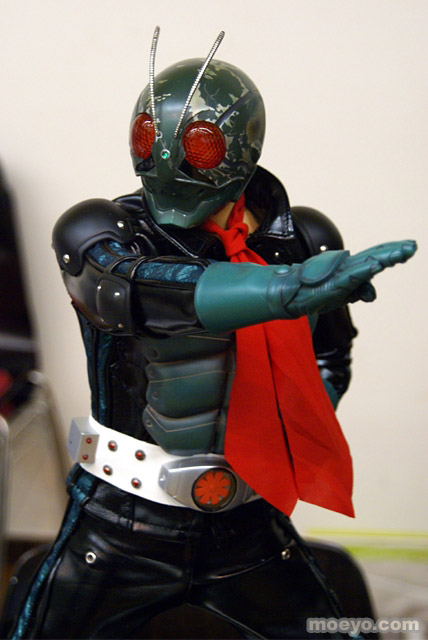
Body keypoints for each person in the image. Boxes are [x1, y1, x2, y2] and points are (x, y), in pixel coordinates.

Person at [3, 29, 416, 639]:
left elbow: (331, 352)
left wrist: (291, 428)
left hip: (247, 520)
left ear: (239, 146)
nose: (166, 157)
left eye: (197, 142)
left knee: (341, 630)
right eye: (150, 136)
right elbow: (139, 289)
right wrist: (284, 290)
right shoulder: (101, 231)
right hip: (121, 521)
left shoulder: (300, 241)